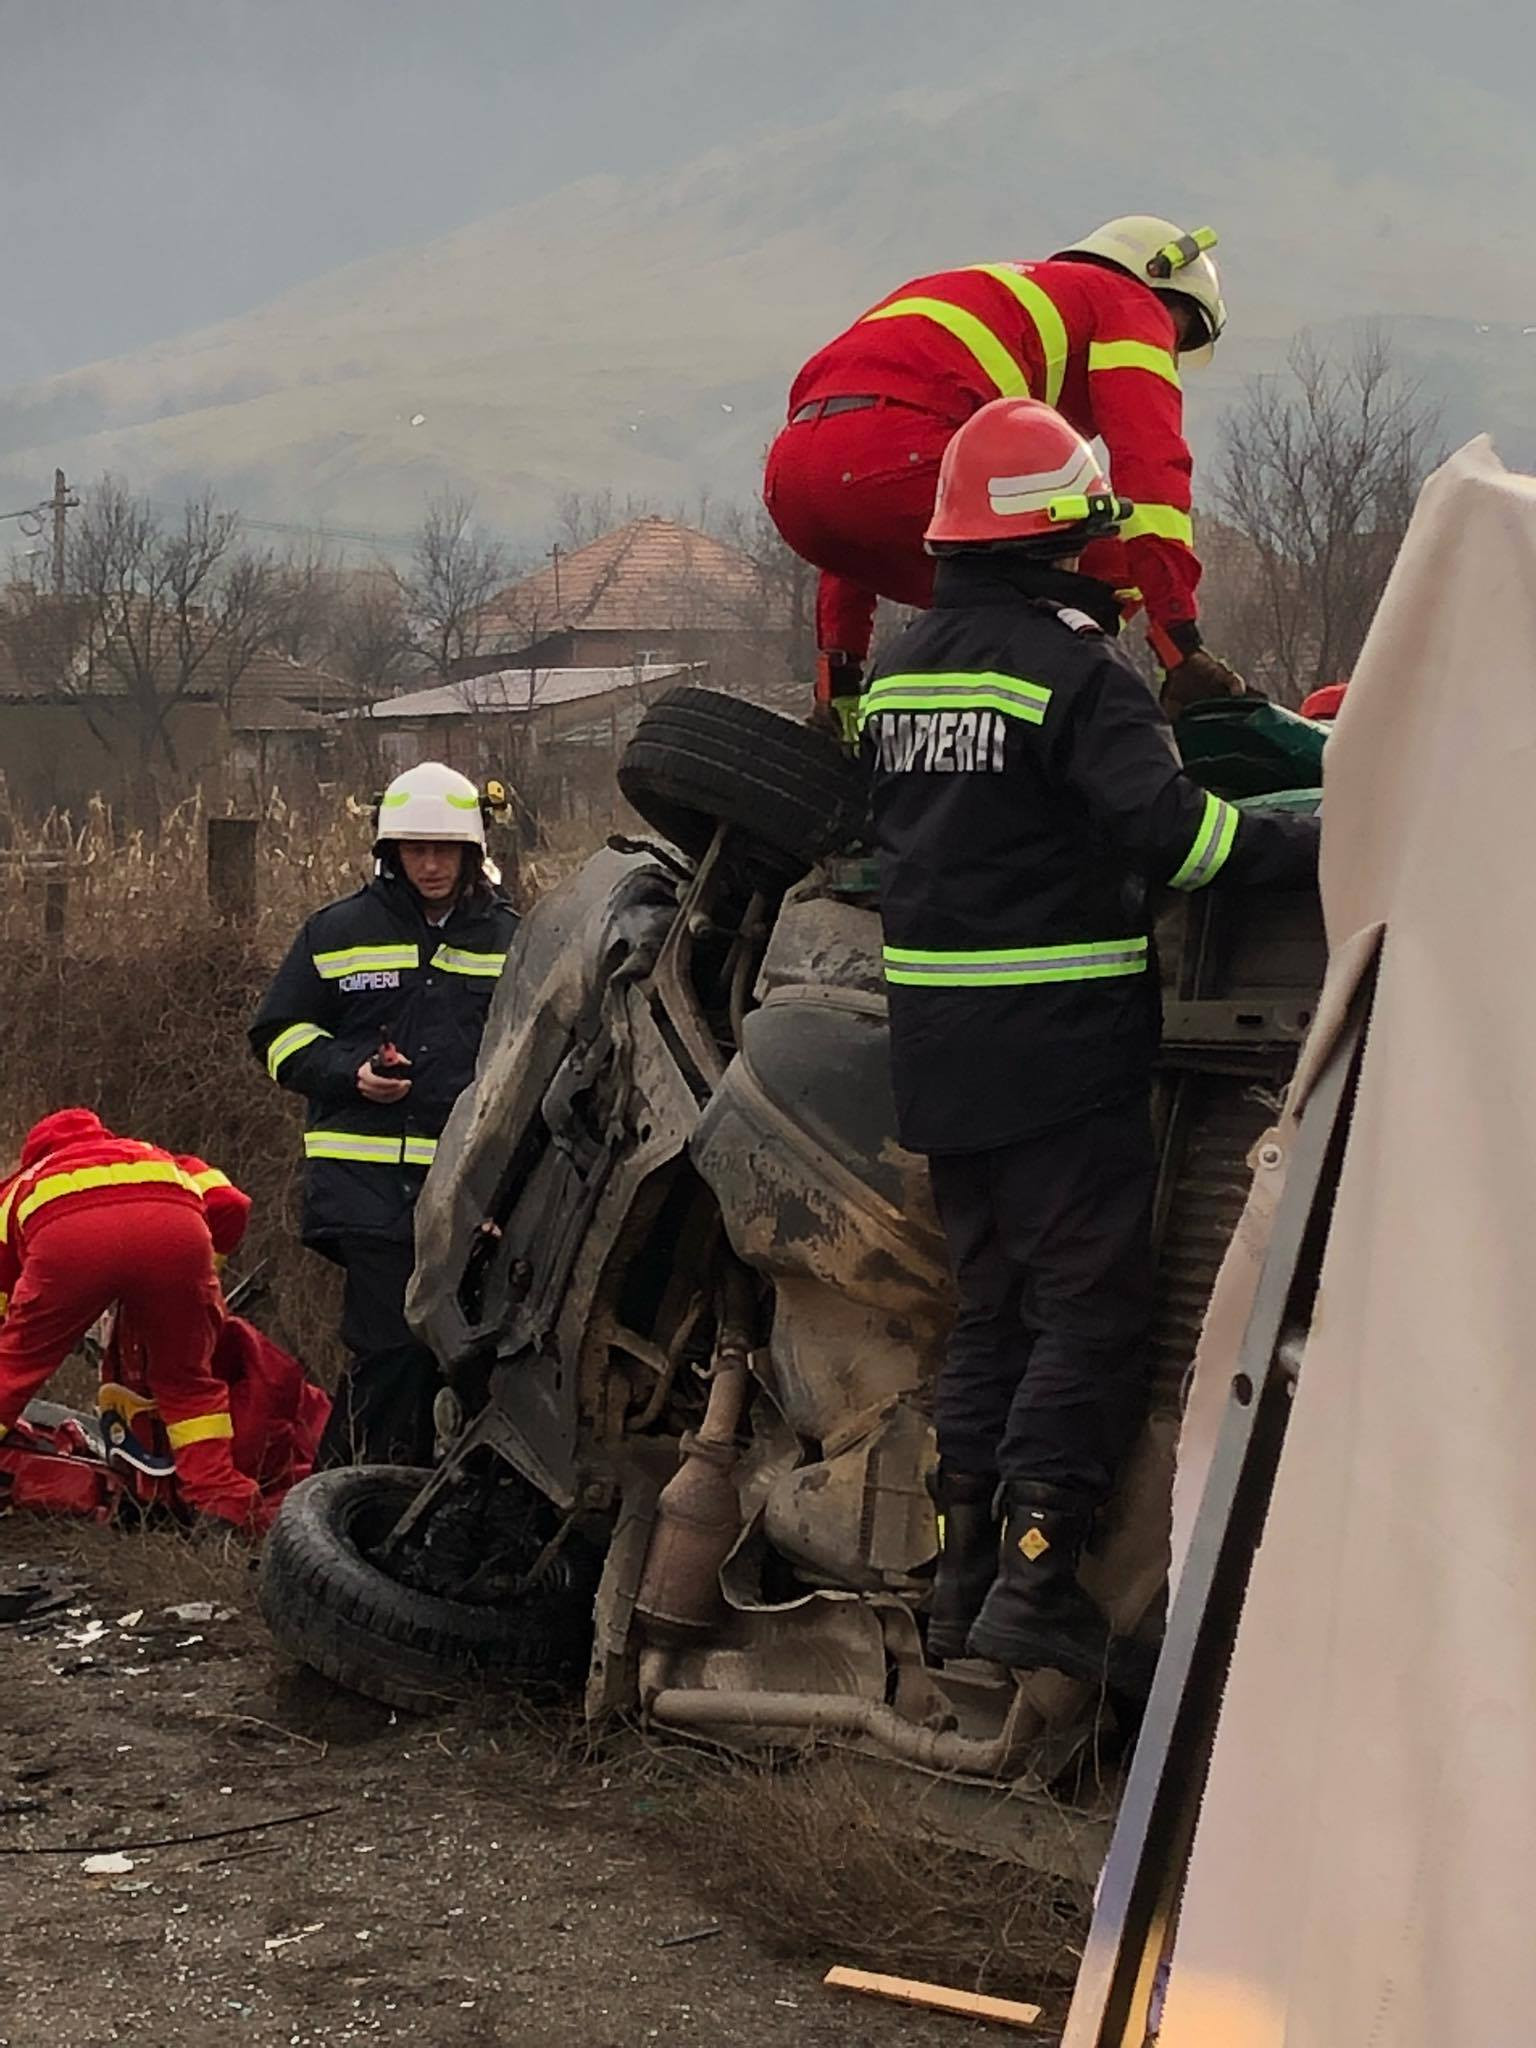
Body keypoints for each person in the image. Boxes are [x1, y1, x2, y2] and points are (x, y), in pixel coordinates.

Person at [860, 397, 1321, 1683]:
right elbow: (1184, 841)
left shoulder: (904, 669)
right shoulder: (1072, 665)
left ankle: (960, 1587)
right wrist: (1323, 834)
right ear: (1059, 538)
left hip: (941, 1053)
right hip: (1062, 1049)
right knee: (1092, 1311)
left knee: (992, 1310)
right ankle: (1040, 1581)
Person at [765, 215, 1240, 733]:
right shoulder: (1128, 302)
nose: (1168, 351)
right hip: (900, 463)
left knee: (981, 590)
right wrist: (1180, 643)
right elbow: (1151, 473)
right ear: (1157, 282)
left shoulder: (992, 292)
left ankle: (898, 726)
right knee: (1105, 551)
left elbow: (852, 498)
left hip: (792, 482)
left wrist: (840, 677)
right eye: (1179, 334)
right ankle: (1069, 726)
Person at [250, 762, 518, 1468]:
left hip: (473, 1198)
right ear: (388, 852)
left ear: (471, 851)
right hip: (366, 1194)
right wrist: (350, 1072)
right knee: (393, 1349)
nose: (430, 864)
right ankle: (342, 1518)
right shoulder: (334, 932)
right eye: (414, 849)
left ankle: (402, 1513)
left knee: (464, 1361)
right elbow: (277, 1036)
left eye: (444, 849)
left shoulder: (514, 941)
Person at [0, 1108, 267, 1531]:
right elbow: (230, 1204)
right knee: (189, 1385)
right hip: (174, 1233)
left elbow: (2, 1279)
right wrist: (202, 1274)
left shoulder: (23, 1184)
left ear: (34, 1154)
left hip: (67, 1241)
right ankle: (222, 1507)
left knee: (12, 1369)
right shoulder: (151, 1155)